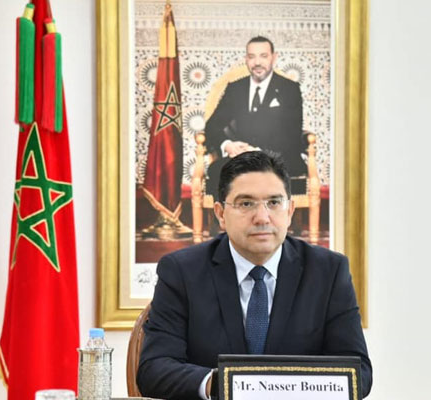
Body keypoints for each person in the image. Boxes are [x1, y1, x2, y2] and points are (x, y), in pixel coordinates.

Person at [137, 151, 372, 399]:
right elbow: (155, 369)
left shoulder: (328, 271)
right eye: (246, 204)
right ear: (220, 214)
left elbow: (359, 373)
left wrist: (281, 388)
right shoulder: (182, 271)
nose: (262, 217)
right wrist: (225, 384)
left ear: (290, 211)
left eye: (274, 202)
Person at [204, 36, 306, 194]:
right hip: (241, 160)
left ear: (274, 57)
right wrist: (228, 145)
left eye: (263, 56)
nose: (257, 62)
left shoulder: (289, 89)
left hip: (278, 159)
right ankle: (228, 212)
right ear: (246, 59)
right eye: (252, 57)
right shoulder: (235, 89)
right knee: (217, 170)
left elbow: (292, 134)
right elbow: (212, 127)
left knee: (259, 175)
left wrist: (257, 152)